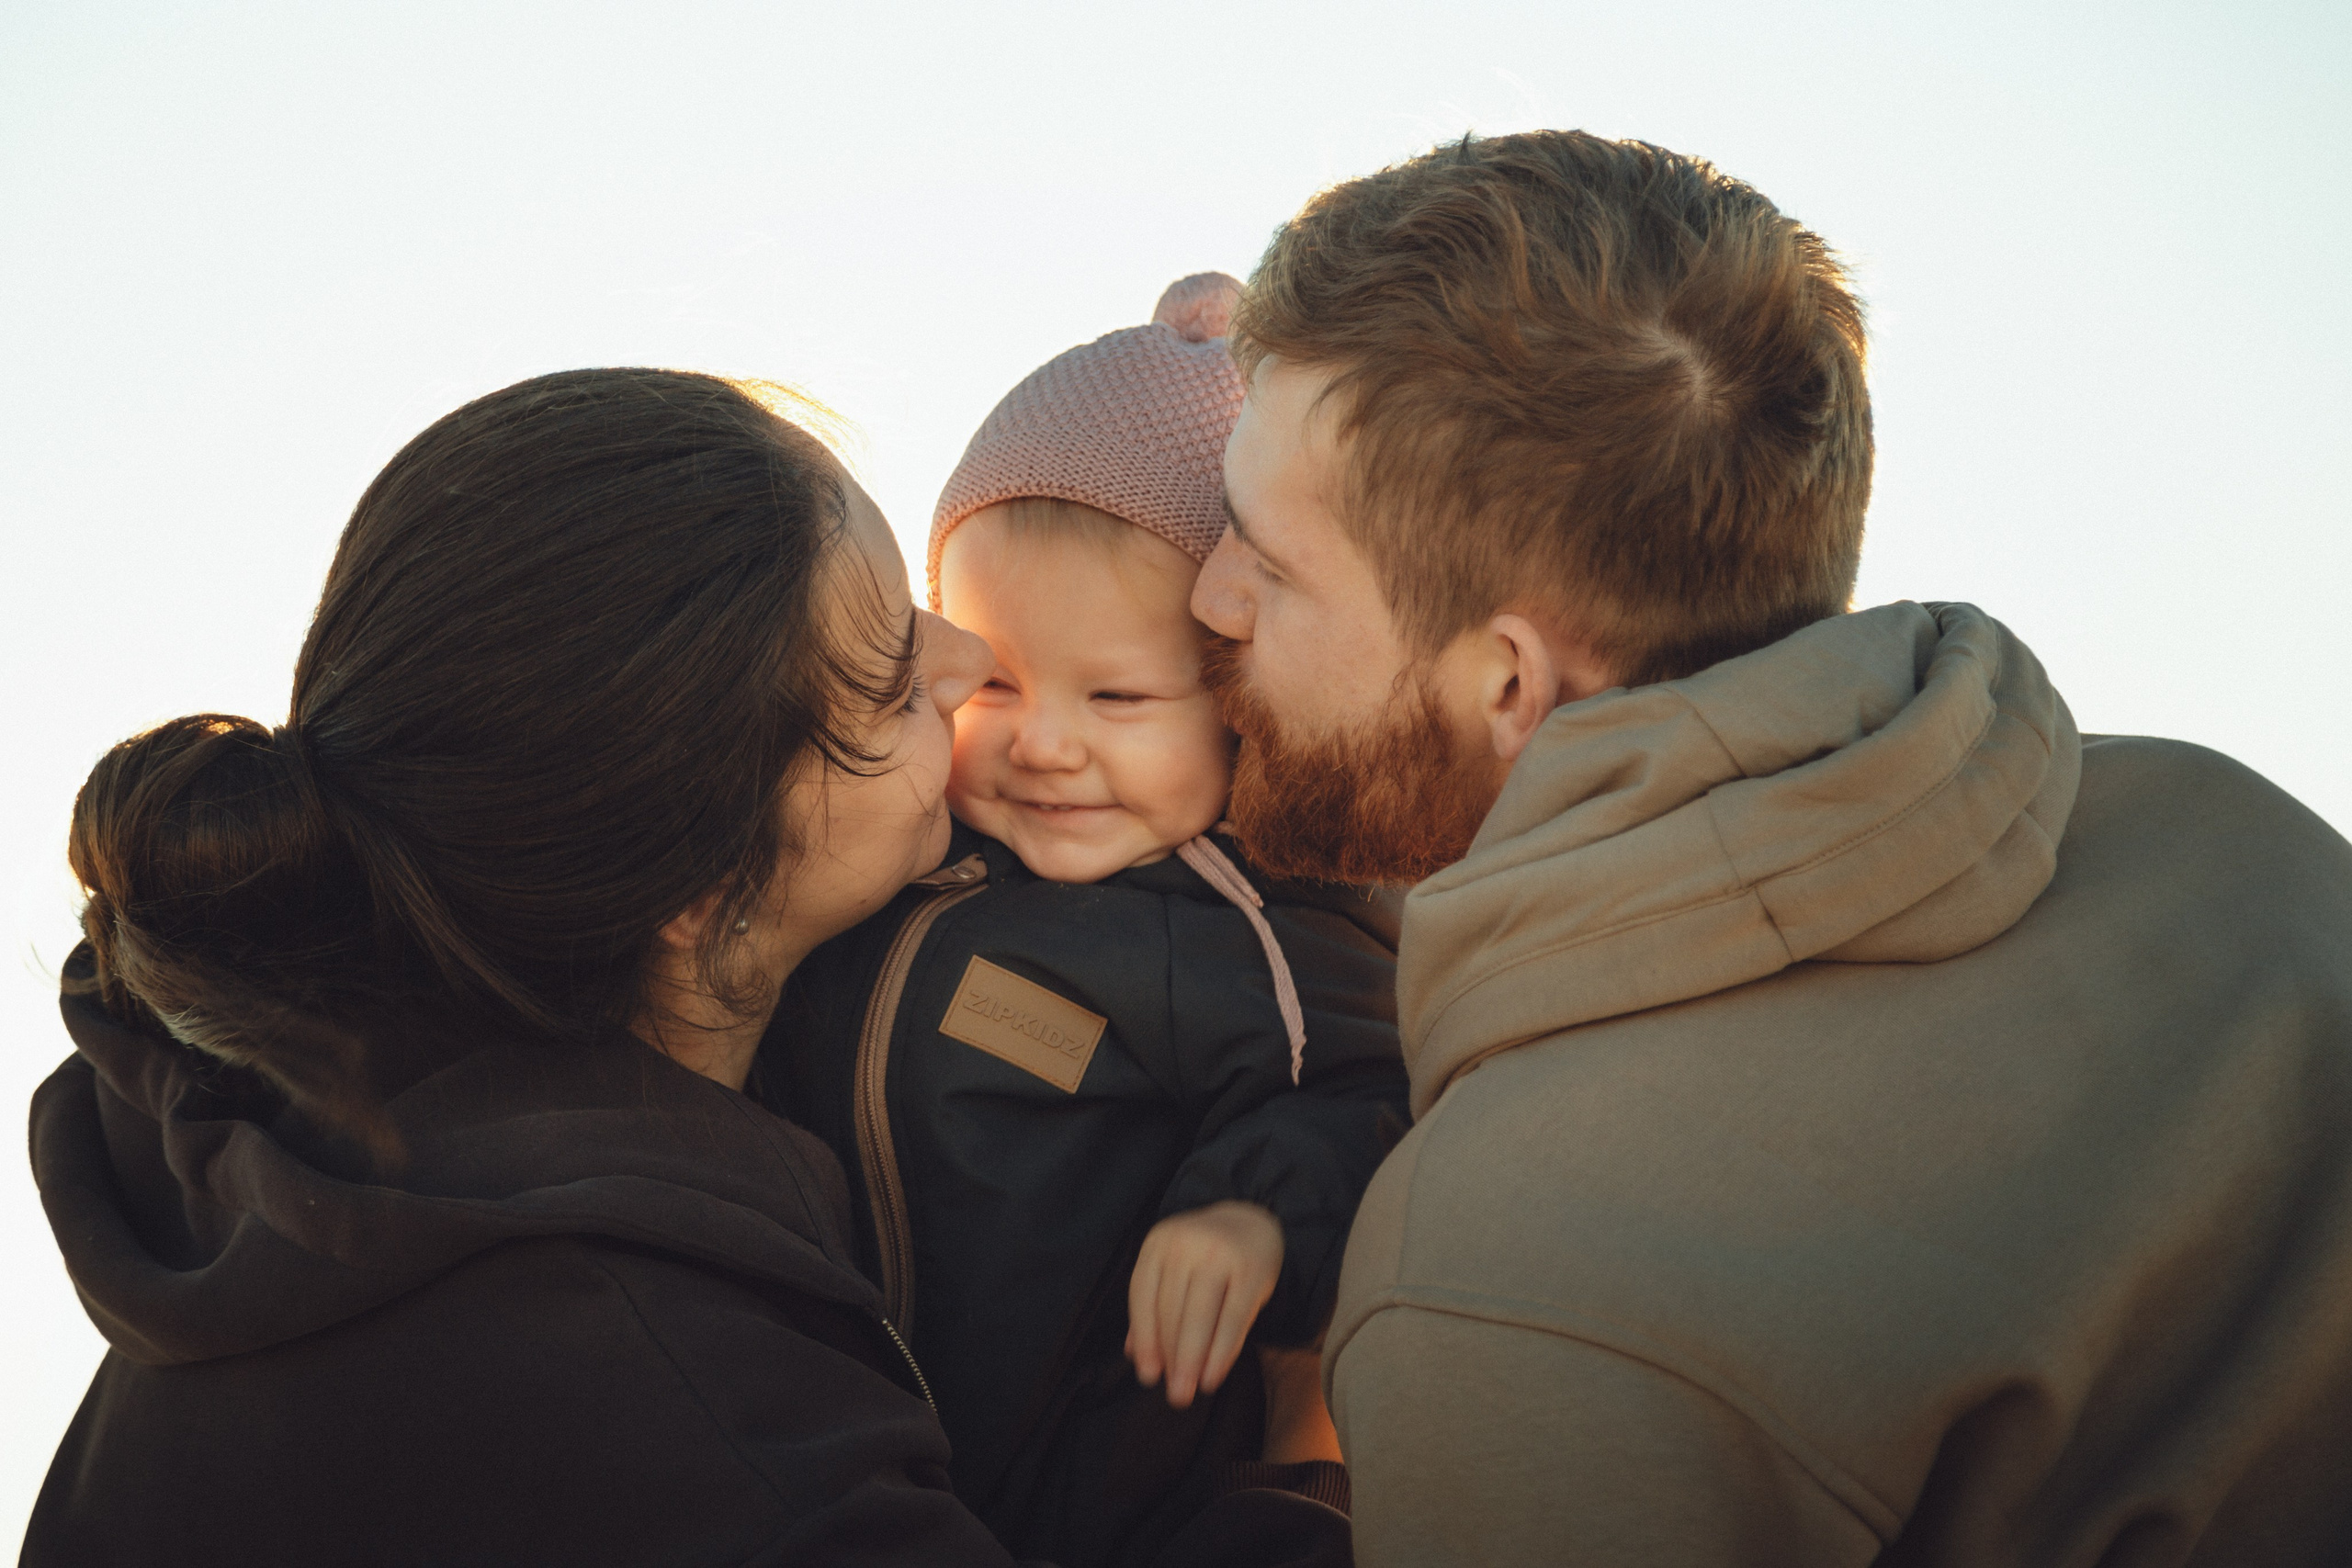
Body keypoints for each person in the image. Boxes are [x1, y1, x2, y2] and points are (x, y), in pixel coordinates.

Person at [1188, 130, 2352, 1565]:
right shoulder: (2251, 847)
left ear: (1507, 684)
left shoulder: (1511, 1283)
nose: (1209, 593)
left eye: (1268, 559)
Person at [25, 368, 1349, 1568]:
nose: (968, 666)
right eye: (893, 678)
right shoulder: (699, 1415)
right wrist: (1309, 1466)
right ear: (698, 886)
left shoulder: (284, 1180)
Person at [759, 276, 1403, 1568]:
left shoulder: (1234, 925)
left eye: (1117, 696)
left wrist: (1251, 1216)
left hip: (1102, 1504)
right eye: (995, 680)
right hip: (832, 1460)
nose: (1044, 744)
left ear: (1240, 702)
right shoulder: (898, 859)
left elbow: (1367, 1090)